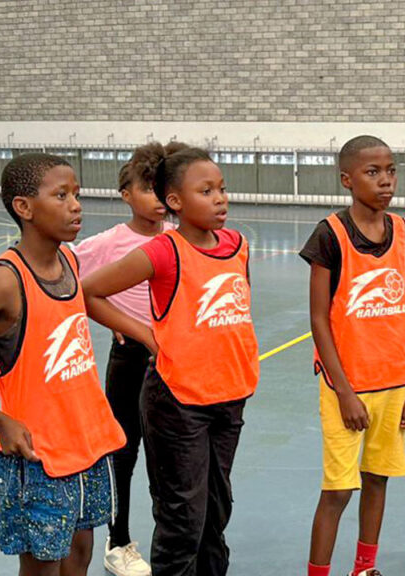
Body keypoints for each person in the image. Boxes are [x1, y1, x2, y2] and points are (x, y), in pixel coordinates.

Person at [83, 144, 260, 576]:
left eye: (222, 188)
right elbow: (89, 291)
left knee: (216, 513)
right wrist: (144, 331)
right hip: (179, 401)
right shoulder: (163, 251)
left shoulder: (237, 245)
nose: (220, 198)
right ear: (175, 202)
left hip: (229, 396)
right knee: (182, 519)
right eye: (206, 191)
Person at [0, 153, 126, 576]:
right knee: (43, 566)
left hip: (88, 443)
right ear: (24, 208)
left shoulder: (70, 262)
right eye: (61, 195)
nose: (76, 205)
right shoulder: (5, 280)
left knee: (81, 552)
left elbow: (78, 307)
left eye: (77, 194)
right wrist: (0, 422)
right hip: (37, 454)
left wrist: (135, 328)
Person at [302, 135, 405, 576]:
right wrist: (343, 391)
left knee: (378, 479)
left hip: (395, 385)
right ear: (346, 179)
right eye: (372, 172)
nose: (385, 180)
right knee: (338, 489)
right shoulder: (329, 235)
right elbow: (319, 319)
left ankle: (364, 568)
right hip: (349, 386)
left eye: (391, 170)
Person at [73, 142, 177, 576]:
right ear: (126, 194)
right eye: (146, 188)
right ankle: (118, 542)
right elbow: (67, 282)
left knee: (170, 452)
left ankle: (174, 536)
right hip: (131, 359)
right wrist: (114, 321)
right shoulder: (109, 243)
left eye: (162, 188)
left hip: (174, 360)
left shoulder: (177, 240)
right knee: (123, 452)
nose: (156, 198)